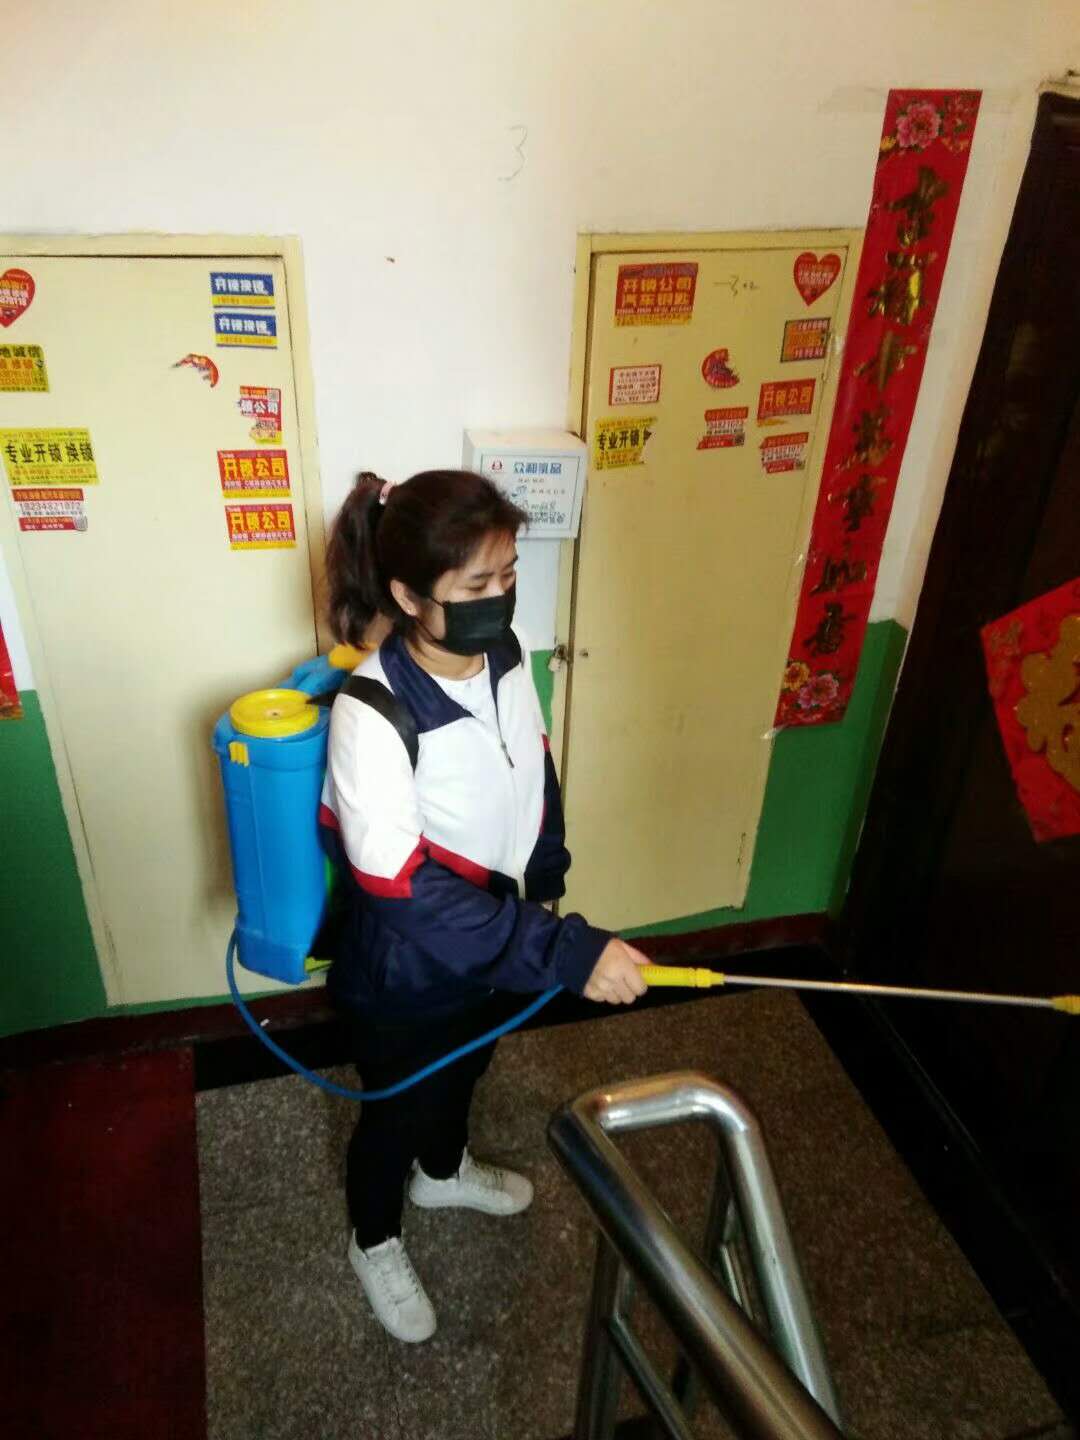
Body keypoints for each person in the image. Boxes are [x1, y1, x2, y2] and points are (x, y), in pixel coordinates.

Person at [319, 468, 650, 1343]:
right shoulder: (371, 710)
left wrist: (546, 876)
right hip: (408, 970)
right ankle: (374, 1237)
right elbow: (401, 886)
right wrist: (561, 951)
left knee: (467, 1068)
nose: (499, 599)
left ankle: (443, 1172)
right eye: (474, 586)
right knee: (396, 1107)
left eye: (507, 574)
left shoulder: (507, 651)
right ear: (408, 596)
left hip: (495, 945)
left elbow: (531, 764)